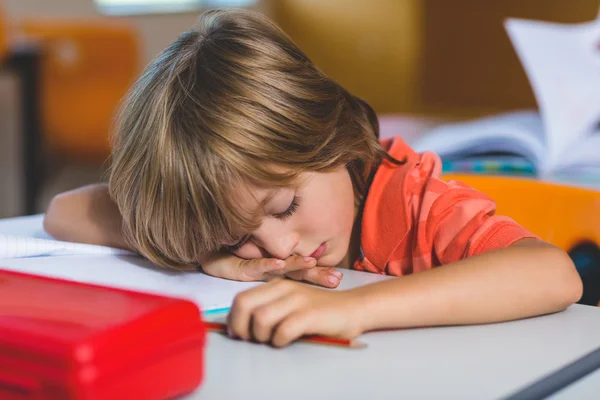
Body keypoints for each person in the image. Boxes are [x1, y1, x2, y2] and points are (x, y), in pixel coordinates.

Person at [44, 9, 582, 347]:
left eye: (284, 208)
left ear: (335, 138)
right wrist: (202, 248)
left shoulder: (413, 200)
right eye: (239, 233)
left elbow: (552, 274)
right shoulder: (250, 230)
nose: (276, 245)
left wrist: (352, 308)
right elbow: (63, 211)